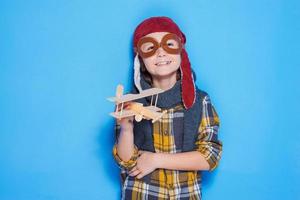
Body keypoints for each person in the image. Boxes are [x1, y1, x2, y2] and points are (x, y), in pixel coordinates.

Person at [112, 16, 222, 200]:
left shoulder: (200, 101)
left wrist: (156, 160)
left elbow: (209, 156)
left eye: (169, 44)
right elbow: (126, 162)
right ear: (140, 57)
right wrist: (126, 127)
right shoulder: (131, 102)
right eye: (150, 48)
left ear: (181, 51)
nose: (161, 53)